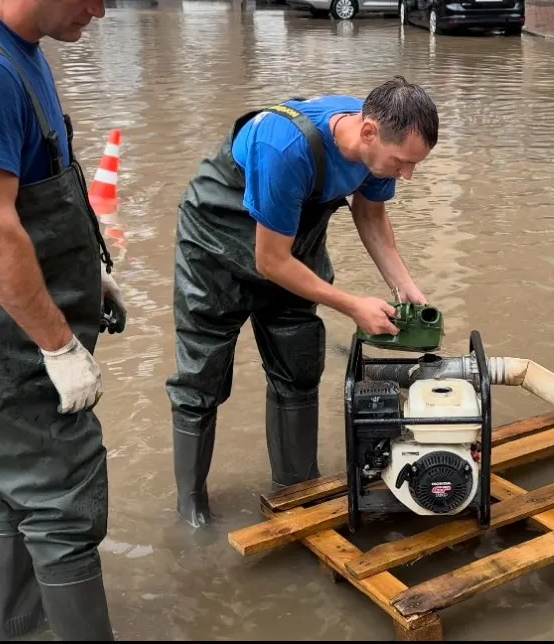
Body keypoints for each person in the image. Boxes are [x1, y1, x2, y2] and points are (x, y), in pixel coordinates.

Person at [0, 0, 141, 640]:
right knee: (62, 500)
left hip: (12, 330)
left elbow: (40, 191)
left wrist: (88, 275)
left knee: (7, 489)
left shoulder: (21, 50)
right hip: (7, 344)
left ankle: (17, 633)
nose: (98, 10)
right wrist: (60, 346)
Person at [165, 77, 438, 528]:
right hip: (215, 245)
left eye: (414, 165)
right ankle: (191, 508)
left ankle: (296, 490)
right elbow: (270, 261)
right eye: (402, 162)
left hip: (295, 246)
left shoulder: (376, 146)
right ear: (368, 131)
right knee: (201, 377)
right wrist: (352, 304)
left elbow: (370, 214)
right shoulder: (285, 147)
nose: (406, 175)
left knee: (298, 366)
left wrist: (402, 284)